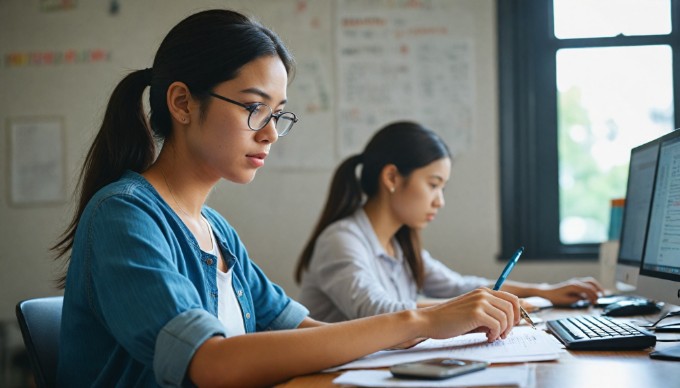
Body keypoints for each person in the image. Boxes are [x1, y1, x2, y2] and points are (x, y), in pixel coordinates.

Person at [52, 10, 523, 387]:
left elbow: (302, 331)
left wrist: (435, 330)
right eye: (255, 108)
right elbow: (209, 363)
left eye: (279, 114)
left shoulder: (217, 232)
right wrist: (417, 318)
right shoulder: (124, 214)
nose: (272, 134)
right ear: (182, 103)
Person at [295, 121, 605, 323]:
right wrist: (466, 310)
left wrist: (546, 290)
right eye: (433, 184)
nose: (440, 200)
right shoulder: (341, 240)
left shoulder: (400, 244)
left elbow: (458, 286)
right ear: (391, 177)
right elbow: (378, 312)